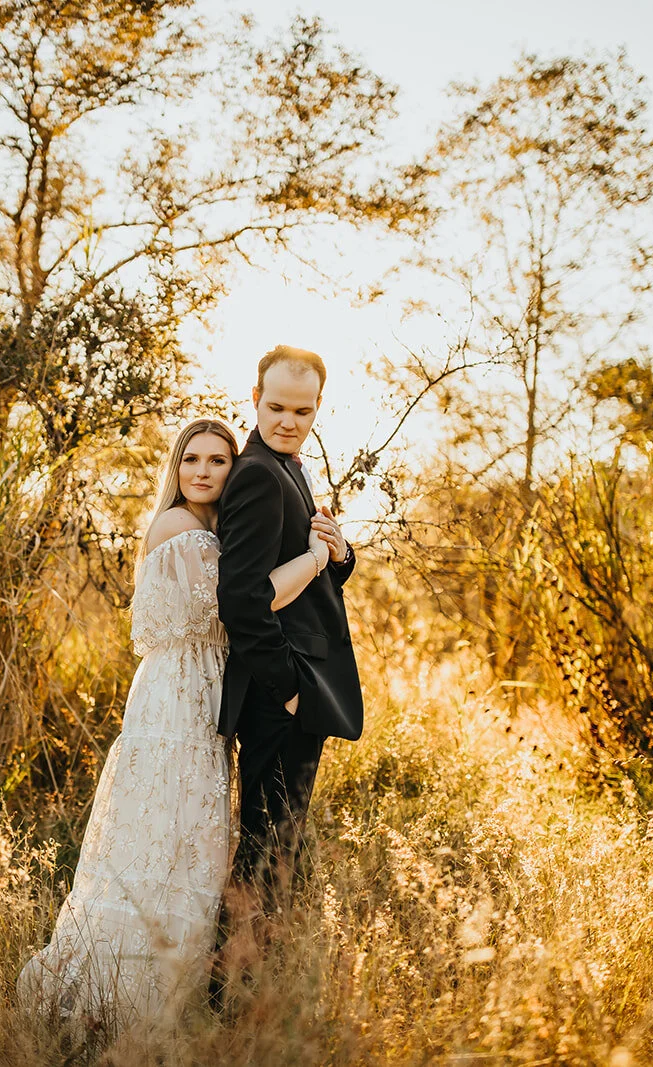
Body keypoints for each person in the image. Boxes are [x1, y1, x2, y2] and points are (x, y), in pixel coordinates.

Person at [17, 417, 334, 1026]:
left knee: (192, 842)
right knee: (162, 835)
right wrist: (316, 557)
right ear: (175, 466)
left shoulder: (214, 529)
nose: (203, 472)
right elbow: (250, 600)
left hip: (205, 692)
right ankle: (120, 998)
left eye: (218, 462)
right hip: (176, 696)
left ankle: (170, 997)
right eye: (192, 460)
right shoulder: (180, 530)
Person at [216, 345, 364, 912]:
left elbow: (303, 581)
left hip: (291, 688)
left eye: (302, 412)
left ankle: (257, 985)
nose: (287, 421)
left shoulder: (286, 468)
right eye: (276, 407)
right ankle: (233, 993)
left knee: (281, 845)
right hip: (278, 693)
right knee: (265, 847)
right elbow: (242, 601)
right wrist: (292, 690)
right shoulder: (258, 475)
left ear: (317, 408)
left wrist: (339, 552)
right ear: (255, 400)